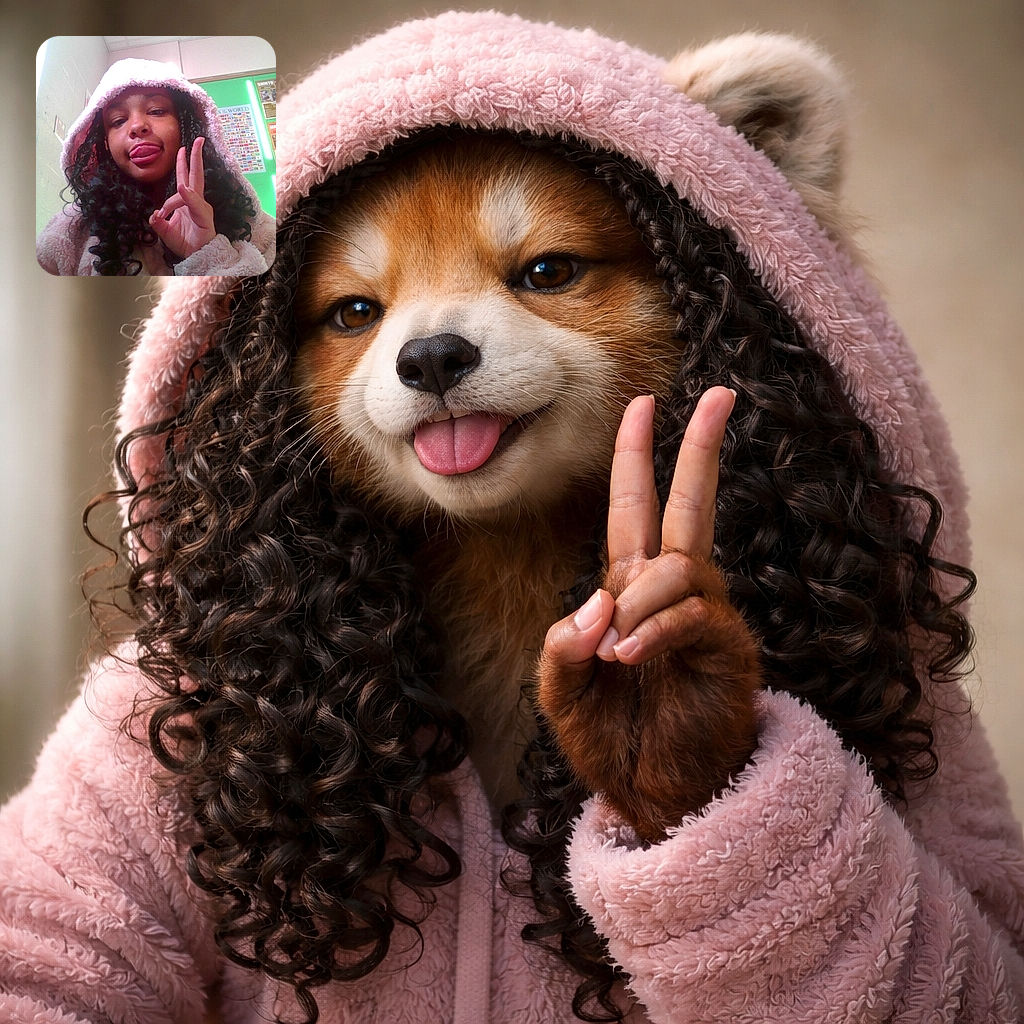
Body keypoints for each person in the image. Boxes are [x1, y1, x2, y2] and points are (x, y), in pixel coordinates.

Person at [4, 12, 1023, 1024]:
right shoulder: (177, 720)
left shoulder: (878, 684)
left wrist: (719, 797)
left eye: (545, 271)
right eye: (356, 311)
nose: (433, 345)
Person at [36, 58, 275, 276]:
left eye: (157, 111)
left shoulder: (257, 226)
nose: (137, 126)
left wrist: (207, 254)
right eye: (118, 121)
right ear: (105, 145)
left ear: (185, 125)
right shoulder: (66, 236)